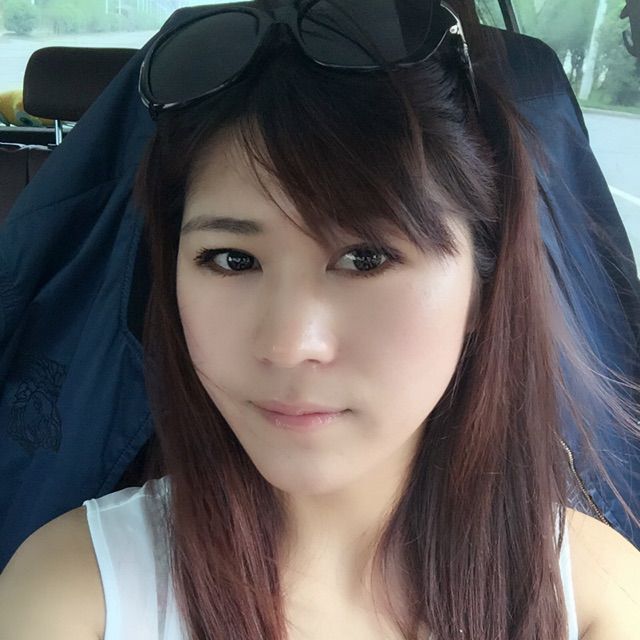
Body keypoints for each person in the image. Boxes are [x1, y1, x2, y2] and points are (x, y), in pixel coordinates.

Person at [1, 1, 639, 638]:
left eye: (366, 259)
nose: (289, 344)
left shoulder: (597, 598)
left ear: (483, 285)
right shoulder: (69, 595)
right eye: (232, 259)